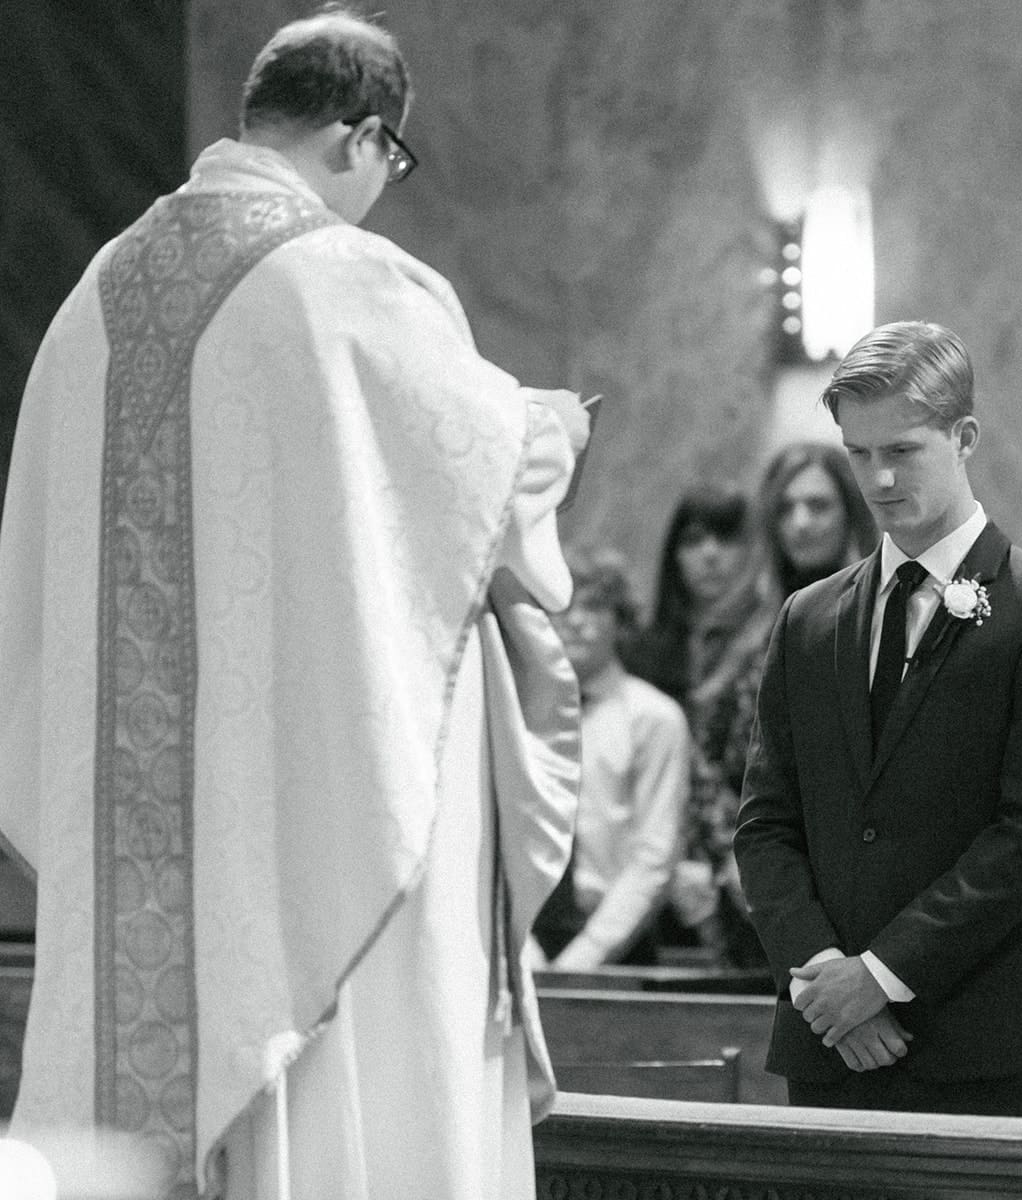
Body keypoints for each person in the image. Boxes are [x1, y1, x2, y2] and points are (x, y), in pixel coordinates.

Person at [0, 11, 589, 1199]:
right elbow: (471, 475)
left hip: (146, 836)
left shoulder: (95, 292)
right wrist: (557, 425)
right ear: (361, 137)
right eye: (394, 162)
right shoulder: (343, 275)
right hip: (311, 803)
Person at [734, 321, 1022, 1116]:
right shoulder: (809, 618)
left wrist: (881, 976)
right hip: (831, 1041)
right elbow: (765, 823)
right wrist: (823, 979)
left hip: (978, 1041)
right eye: (858, 454)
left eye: (901, 451)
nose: (877, 480)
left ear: (963, 436)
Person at [670, 442, 877, 967]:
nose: (801, 523)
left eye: (818, 505)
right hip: (748, 881)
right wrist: (740, 861)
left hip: (853, 874)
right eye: (785, 508)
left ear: (849, 512)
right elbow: (704, 766)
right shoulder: (734, 624)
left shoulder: (880, 613)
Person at [536, 547, 692, 970]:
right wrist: (519, 947)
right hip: (523, 944)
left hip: (618, 943)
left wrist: (584, 959)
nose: (574, 621)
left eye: (593, 606)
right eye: (559, 605)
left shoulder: (653, 718)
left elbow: (655, 857)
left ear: (620, 620)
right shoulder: (517, 715)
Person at [621, 484, 752, 705]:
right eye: (694, 540)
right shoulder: (639, 652)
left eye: (726, 538)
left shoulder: (769, 644)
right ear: (675, 555)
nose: (710, 553)